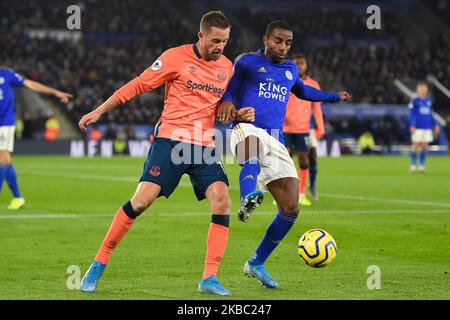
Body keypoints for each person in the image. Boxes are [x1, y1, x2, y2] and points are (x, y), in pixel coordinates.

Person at [78, 11, 253, 296]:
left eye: (224, 41)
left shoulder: (227, 68)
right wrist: (99, 110)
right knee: (142, 201)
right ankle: (98, 263)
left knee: (222, 200)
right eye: (215, 41)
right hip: (171, 140)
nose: (220, 47)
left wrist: (236, 114)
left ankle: (209, 278)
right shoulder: (175, 57)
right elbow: (138, 84)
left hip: (204, 145)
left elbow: (221, 108)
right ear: (201, 36)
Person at [218, 20, 349, 288]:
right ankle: (247, 198)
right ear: (265, 39)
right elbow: (230, 87)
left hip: (276, 140)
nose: (283, 47)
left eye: (288, 43)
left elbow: (303, 91)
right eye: (278, 41)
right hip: (246, 126)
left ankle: (256, 262)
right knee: (252, 146)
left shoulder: (290, 69)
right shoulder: (246, 62)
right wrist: (229, 101)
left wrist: (333, 97)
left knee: (291, 207)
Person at [0, 67, 72, 209]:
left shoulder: (7, 75)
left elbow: (31, 84)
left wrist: (54, 92)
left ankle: (17, 197)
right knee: (6, 160)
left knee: (1, 159)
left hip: (4, 123)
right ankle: (18, 197)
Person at [283, 54, 325, 205]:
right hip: (285, 128)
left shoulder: (313, 84)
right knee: (284, 161)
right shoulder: (286, 80)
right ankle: (285, 193)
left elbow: (317, 108)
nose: (299, 66)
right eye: (296, 63)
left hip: (304, 129)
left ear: (307, 65)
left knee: (307, 159)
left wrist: (321, 127)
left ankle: (304, 192)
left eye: (302, 63)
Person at [409, 82, 440, 173]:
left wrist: (435, 124)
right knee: (415, 145)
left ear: (426, 90)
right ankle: (413, 165)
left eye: (424, 89)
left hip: (427, 127)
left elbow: (430, 115)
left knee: (425, 146)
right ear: (418, 90)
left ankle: (421, 166)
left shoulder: (428, 101)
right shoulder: (415, 101)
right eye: (421, 89)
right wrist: (412, 125)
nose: (423, 90)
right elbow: (412, 114)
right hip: (417, 127)